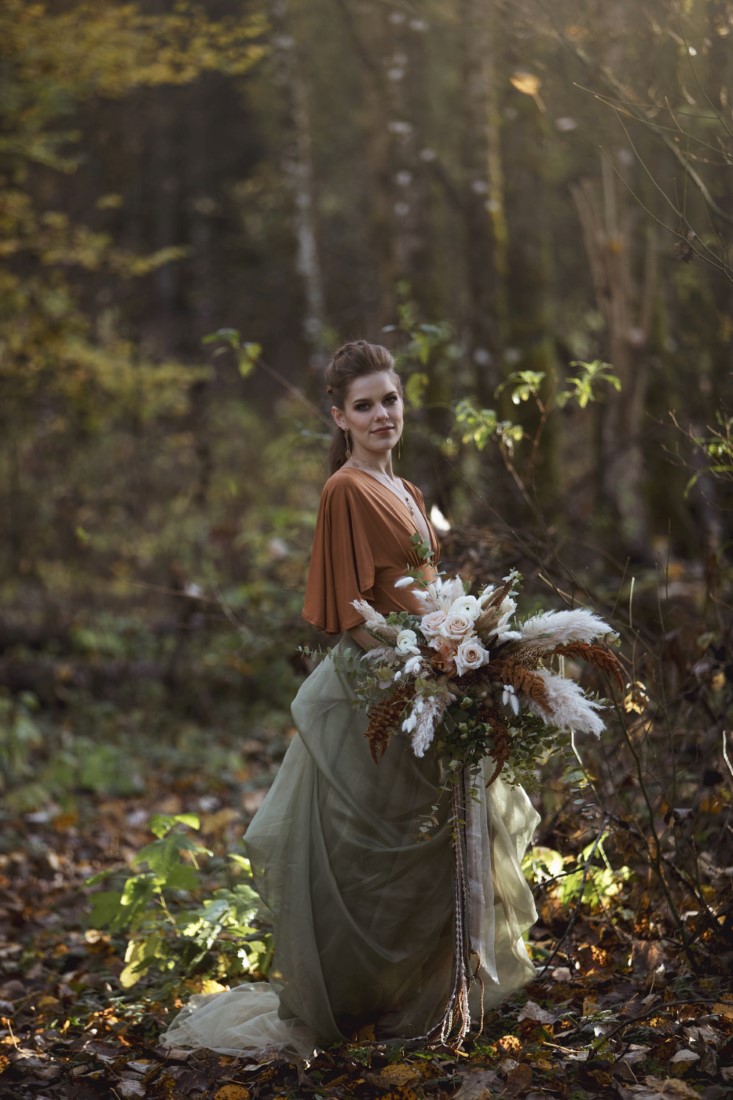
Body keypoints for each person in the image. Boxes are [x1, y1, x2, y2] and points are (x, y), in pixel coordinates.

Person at [162, 340, 539, 1059]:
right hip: (382, 683)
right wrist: (414, 669)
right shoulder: (344, 489)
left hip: (433, 680)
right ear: (339, 416)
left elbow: (423, 590)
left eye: (388, 399)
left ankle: (429, 1001)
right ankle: (354, 1001)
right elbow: (344, 606)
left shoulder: (411, 492)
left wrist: (462, 652)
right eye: (362, 405)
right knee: (376, 853)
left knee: (433, 845)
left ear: (403, 401)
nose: (380, 414)